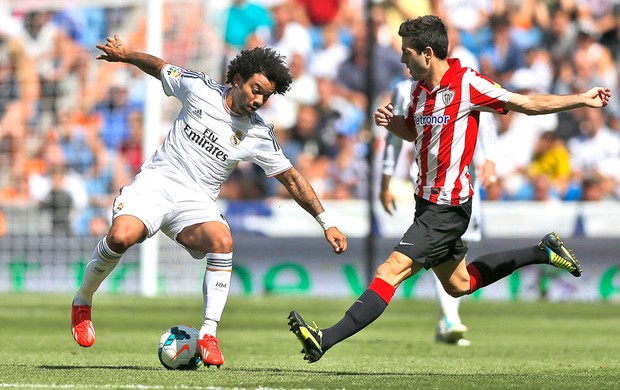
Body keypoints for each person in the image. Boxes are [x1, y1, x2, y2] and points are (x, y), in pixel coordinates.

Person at [288, 15, 610, 363]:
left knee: (388, 271)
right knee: (459, 284)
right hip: (425, 204)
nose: (402, 59)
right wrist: (393, 123)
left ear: (428, 53)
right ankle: (542, 251)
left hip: (449, 207)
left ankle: (325, 339)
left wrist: (581, 99)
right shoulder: (417, 90)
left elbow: (526, 104)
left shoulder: (468, 84)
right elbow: (414, 132)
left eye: (406, 52)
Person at [71, 35, 348, 368]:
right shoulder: (198, 89)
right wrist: (127, 56)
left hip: (196, 200)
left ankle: (208, 333)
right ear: (236, 80)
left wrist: (326, 222)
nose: (259, 100)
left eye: (266, 96)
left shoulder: (259, 134)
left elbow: (292, 179)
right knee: (120, 237)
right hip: (157, 183)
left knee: (222, 239)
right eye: (256, 90)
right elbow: (160, 67)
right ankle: (83, 300)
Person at [379, 78, 498, 346]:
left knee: (458, 245)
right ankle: (450, 318)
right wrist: (386, 179)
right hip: (427, 180)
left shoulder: (464, 78)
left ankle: (448, 318)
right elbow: (395, 134)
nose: (405, 59)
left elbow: (487, 113)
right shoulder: (403, 89)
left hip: (465, 177)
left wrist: (490, 158)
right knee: (441, 243)